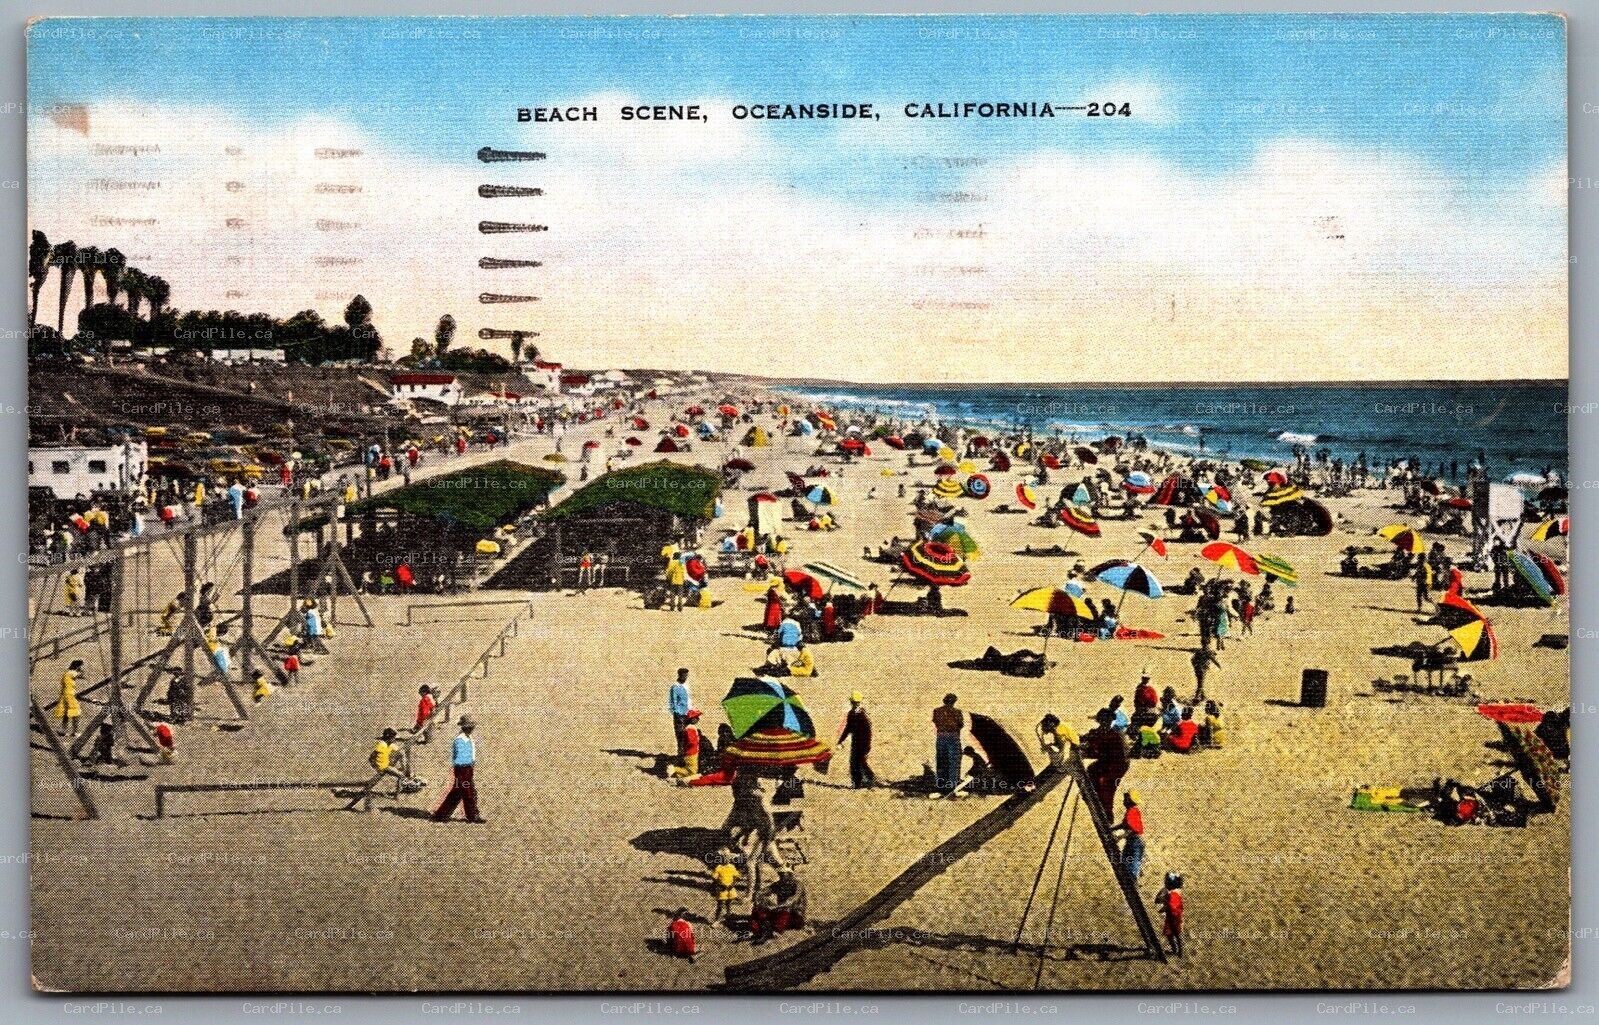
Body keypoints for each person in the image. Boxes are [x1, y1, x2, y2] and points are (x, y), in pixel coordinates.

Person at [432, 715, 484, 823]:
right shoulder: (460, 740)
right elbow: (460, 758)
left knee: (457, 792)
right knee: (468, 792)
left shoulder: (467, 738)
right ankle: (473, 816)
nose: (471, 729)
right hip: (463, 769)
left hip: (467, 769)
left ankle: (441, 815)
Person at [1082, 708, 1130, 811]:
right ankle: (1092, 795)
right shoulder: (1106, 731)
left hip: (1118, 765)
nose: (1102, 723)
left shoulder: (1114, 735)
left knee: (1107, 787)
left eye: (1104, 721)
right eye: (1100, 721)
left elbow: (1100, 749)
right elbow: (1093, 737)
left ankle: (1107, 813)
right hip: (1110, 761)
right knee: (1091, 769)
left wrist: (1088, 749)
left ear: (1109, 721)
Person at [837, 692, 876, 788]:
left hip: (863, 744)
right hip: (855, 743)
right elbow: (848, 729)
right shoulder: (850, 714)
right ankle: (857, 783)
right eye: (854, 703)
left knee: (861, 762)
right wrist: (840, 740)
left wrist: (867, 746)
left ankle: (870, 779)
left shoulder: (863, 716)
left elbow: (868, 733)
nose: (855, 705)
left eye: (857, 703)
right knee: (853, 763)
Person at [931, 693, 964, 798]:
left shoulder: (937, 711)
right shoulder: (957, 712)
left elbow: (936, 723)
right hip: (953, 737)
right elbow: (960, 725)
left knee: (941, 762)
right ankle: (953, 788)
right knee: (953, 763)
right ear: (954, 702)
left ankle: (941, 788)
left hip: (941, 737)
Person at [1109, 790, 1145, 880]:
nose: (1123, 801)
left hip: (1135, 842)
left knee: (1132, 865)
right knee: (1125, 861)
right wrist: (1112, 829)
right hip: (1132, 841)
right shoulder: (1131, 811)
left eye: (1125, 799)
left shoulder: (1132, 811)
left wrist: (1119, 837)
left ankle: (1132, 879)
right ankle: (1131, 876)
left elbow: (1131, 830)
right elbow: (1124, 824)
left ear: (1129, 800)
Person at [1156, 872, 1185, 956]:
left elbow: (1172, 906)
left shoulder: (1173, 894)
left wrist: (1164, 907)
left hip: (1174, 918)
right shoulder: (1175, 892)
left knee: (1174, 934)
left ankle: (1177, 950)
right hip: (1173, 918)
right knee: (1172, 934)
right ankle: (1176, 950)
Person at [669, 710, 703, 779]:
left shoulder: (689, 727)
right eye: (696, 718)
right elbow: (691, 741)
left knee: (692, 769)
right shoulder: (690, 729)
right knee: (692, 771)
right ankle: (674, 769)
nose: (698, 719)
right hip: (691, 752)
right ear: (692, 719)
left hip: (692, 752)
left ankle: (678, 775)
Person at [711, 850, 741, 922]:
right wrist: (720, 884)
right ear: (721, 858)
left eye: (728, 857)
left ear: (730, 859)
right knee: (720, 904)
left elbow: (736, 876)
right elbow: (714, 878)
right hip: (722, 889)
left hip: (730, 888)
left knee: (728, 903)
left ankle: (728, 916)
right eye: (724, 857)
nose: (726, 859)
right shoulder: (719, 867)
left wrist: (732, 884)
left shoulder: (732, 867)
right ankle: (717, 920)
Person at [56, 659, 84, 736]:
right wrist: (81, 670)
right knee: (76, 713)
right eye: (80, 666)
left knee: (66, 713)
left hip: (64, 694)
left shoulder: (67, 673)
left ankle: (63, 730)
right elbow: (82, 676)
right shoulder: (73, 673)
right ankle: (75, 732)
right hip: (70, 695)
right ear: (77, 666)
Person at [668, 668, 691, 757]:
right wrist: (677, 713)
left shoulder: (686, 685)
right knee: (681, 736)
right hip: (680, 715)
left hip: (687, 713)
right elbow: (673, 702)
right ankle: (681, 755)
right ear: (679, 675)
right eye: (684, 675)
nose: (685, 677)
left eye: (686, 676)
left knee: (687, 735)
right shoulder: (675, 687)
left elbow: (688, 700)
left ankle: (686, 754)